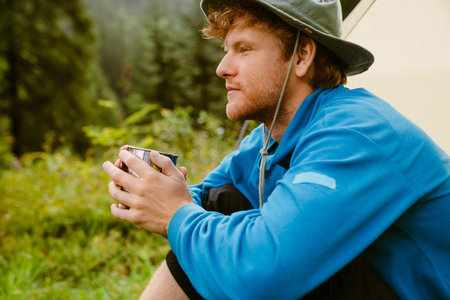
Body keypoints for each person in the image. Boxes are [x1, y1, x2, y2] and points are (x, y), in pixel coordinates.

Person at [102, 0, 450, 299]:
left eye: (245, 49)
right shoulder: (269, 138)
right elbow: (206, 199)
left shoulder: (355, 134)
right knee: (222, 209)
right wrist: (155, 193)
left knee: (248, 255)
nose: (223, 68)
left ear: (301, 55)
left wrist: (174, 213)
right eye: (226, 49)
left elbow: (264, 271)